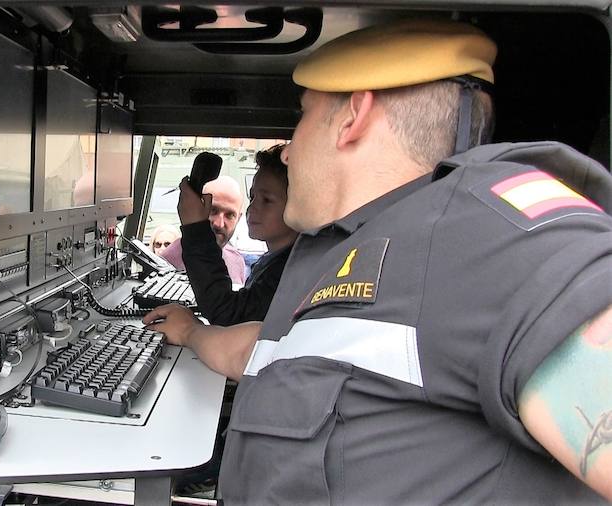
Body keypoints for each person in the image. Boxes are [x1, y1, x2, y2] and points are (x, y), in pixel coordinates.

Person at [145, 19, 612, 504]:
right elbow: (264, 354)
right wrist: (190, 332)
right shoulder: (337, 248)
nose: (287, 155)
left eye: (302, 118)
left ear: (353, 115)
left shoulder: (486, 233)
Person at [177, 144, 298, 325]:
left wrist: (195, 228)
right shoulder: (276, 261)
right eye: (253, 197)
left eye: (266, 200)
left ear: (299, 204)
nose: (253, 207)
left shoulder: (291, 271)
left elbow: (228, 314)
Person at [159, 175, 247, 283]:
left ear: (238, 219)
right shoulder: (167, 263)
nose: (219, 224)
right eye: (213, 210)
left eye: (229, 215)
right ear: (197, 208)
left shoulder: (237, 260)